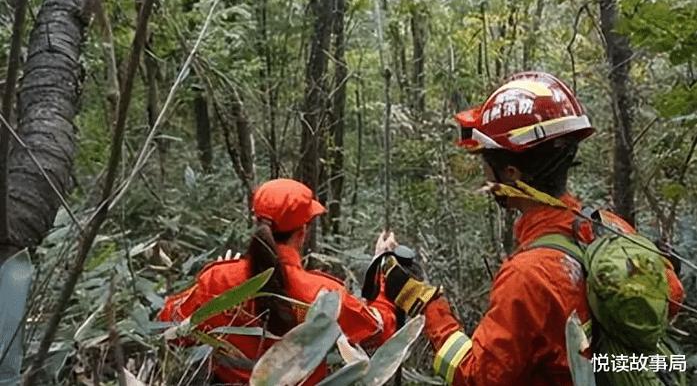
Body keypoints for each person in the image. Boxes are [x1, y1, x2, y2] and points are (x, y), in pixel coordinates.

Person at [378, 71, 685, 385]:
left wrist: (425, 303)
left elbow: (478, 376)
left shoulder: (528, 275)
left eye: (486, 165)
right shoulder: (610, 227)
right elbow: (672, 296)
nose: (485, 178)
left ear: (511, 174)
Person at [158, 178, 397, 385]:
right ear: (302, 232)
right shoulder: (325, 295)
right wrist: (380, 270)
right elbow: (379, 330)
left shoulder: (218, 279)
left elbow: (171, 328)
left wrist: (220, 285)